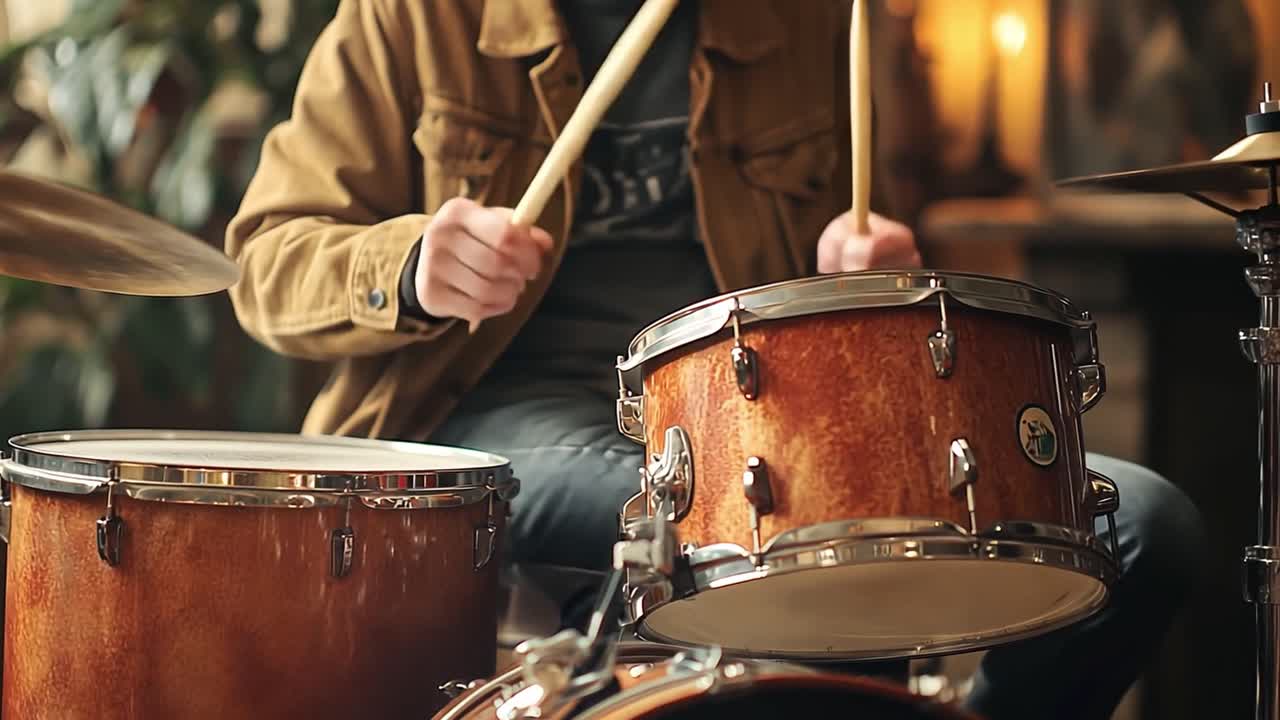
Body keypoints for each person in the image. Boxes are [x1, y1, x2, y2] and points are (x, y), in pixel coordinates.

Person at [225, 2, 1206, 718]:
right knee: (746, 540)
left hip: (763, 413)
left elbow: (869, 248)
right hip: (493, 415)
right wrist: (410, 267)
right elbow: (262, 260)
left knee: (1144, 527)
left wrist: (879, 268)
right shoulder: (410, 19)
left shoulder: (809, 20)